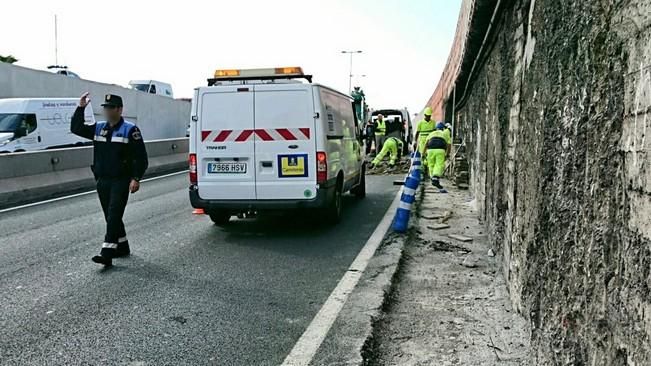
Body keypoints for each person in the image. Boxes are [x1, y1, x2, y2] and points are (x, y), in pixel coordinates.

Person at [70, 93, 148, 266]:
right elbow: (76, 128)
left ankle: (107, 252)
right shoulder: (98, 128)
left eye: (111, 108)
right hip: (102, 179)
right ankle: (122, 246)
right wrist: (80, 107)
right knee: (110, 215)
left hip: (121, 180)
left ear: (120, 109)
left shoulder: (130, 130)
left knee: (114, 214)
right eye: (105, 107)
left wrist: (136, 178)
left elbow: (141, 157)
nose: (107, 111)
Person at [424, 122, 451, 193]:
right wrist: (447, 154)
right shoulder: (444, 133)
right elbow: (448, 145)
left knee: (431, 165)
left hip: (430, 150)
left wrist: (424, 153)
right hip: (440, 149)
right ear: (443, 128)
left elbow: (426, 143)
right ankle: (435, 178)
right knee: (439, 164)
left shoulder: (431, 133)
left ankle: (433, 178)